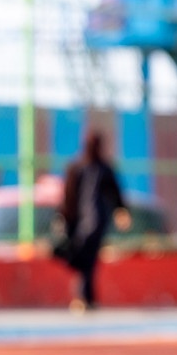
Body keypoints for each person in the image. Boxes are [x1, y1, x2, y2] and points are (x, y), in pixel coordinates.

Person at [57, 131, 130, 313]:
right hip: (80, 221)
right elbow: (69, 195)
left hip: (94, 222)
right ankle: (85, 297)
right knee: (84, 259)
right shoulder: (77, 167)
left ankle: (84, 297)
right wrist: (64, 217)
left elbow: (115, 192)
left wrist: (121, 210)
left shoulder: (103, 168)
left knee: (88, 259)